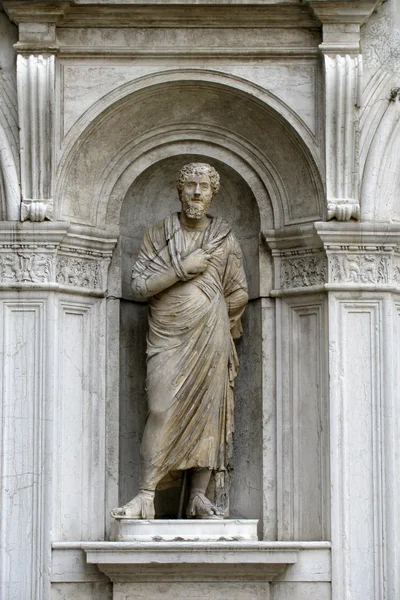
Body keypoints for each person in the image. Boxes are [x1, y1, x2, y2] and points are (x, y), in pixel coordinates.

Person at [111, 162, 248, 519]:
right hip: (167, 334)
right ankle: (145, 495)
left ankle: (198, 497)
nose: (197, 193)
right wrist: (182, 270)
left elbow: (239, 293)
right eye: (190, 186)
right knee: (161, 408)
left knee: (208, 413)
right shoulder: (160, 234)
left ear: (213, 193)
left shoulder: (224, 238)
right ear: (179, 190)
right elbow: (139, 287)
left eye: (204, 186)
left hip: (210, 337)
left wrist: (215, 318)